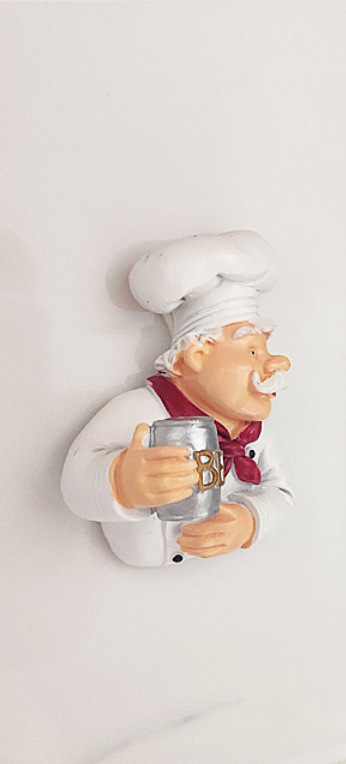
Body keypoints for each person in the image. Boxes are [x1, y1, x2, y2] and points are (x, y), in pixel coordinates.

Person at [61, 231, 294, 566]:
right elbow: (76, 481)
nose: (277, 362)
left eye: (266, 348)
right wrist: (123, 482)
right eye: (253, 351)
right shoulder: (140, 411)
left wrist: (249, 521)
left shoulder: (254, 431)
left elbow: (281, 493)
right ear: (197, 355)